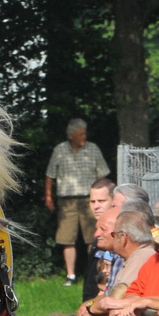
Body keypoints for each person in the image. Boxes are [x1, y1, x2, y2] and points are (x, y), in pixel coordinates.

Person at [44, 118, 110, 286]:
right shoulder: (59, 150)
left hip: (90, 200)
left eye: (85, 133)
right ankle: (70, 275)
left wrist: (105, 196)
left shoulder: (93, 149)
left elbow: (102, 174)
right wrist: (48, 196)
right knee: (67, 238)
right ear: (71, 135)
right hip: (67, 201)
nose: (84, 136)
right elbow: (50, 175)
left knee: (92, 238)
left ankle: (93, 271)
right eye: (81, 134)